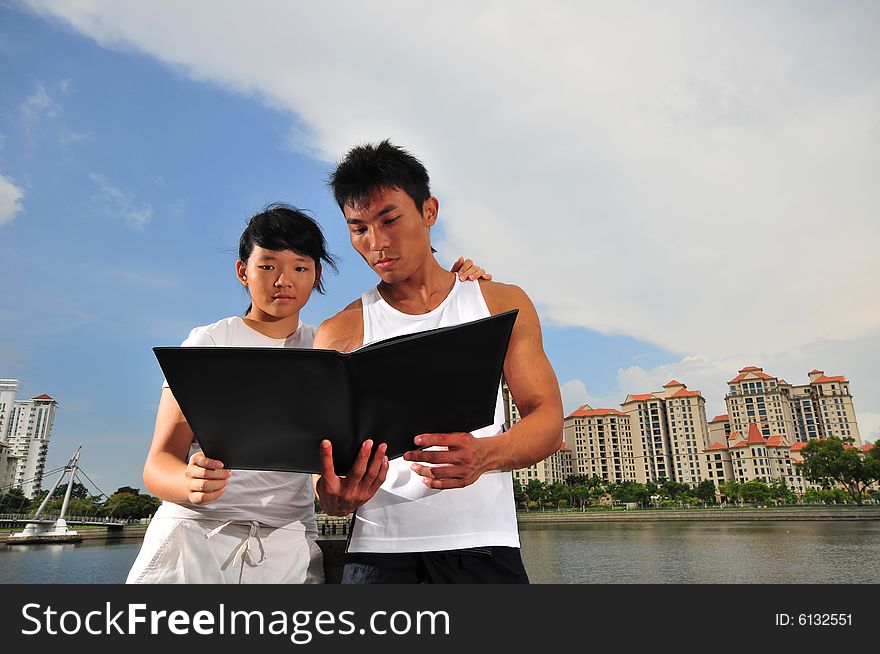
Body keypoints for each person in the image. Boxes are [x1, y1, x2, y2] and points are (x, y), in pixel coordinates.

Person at [126, 203, 490, 584]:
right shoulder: (210, 342)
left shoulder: (327, 349)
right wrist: (188, 482)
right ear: (242, 272)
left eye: (300, 267)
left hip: (288, 549)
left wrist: (456, 288)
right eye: (267, 266)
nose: (283, 280)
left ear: (316, 276)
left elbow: (326, 462)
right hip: (195, 540)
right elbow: (157, 464)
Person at [315, 141, 564, 584]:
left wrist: (485, 455)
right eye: (358, 229)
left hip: (484, 547)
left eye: (390, 220)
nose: (377, 243)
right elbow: (326, 475)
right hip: (378, 554)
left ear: (429, 211)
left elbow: (546, 419)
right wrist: (337, 498)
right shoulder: (338, 332)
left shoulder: (500, 303)